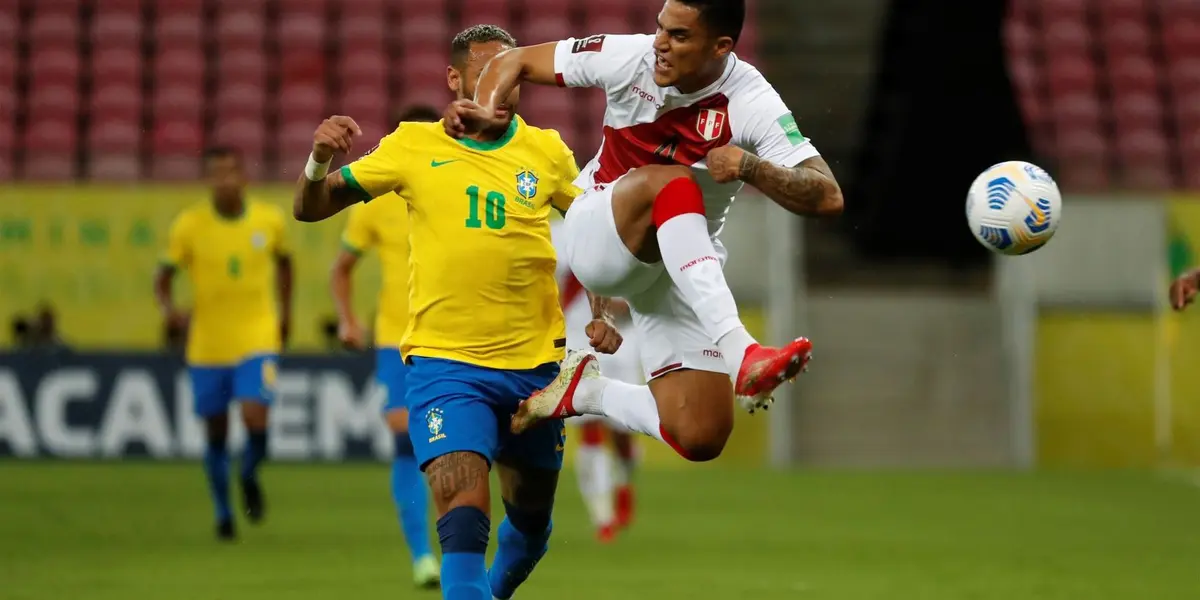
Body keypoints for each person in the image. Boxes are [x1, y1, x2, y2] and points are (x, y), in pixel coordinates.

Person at [293, 25, 620, 600]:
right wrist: (319, 159)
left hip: (535, 372)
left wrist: (602, 310)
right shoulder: (413, 145)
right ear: (454, 79)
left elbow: (595, 239)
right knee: (464, 520)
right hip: (447, 366)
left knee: (530, 530)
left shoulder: (546, 151)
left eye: (512, 72)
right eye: (487, 71)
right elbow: (311, 207)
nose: (502, 84)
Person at [444, 0, 844, 463]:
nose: (660, 44)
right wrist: (485, 110)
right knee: (672, 181)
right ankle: (742, 352)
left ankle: (587, 392)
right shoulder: (628, 57)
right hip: (598, 230)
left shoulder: (750, 100)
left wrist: (751, 167)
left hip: (679, 263)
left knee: (700, 434)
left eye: (679, 36)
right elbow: (511, 61)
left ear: (721, 47)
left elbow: (828, 195)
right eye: (660, 28)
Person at [154, 147, 294, 541]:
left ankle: (248, 473)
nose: (224, 180)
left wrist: (286, 314)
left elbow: (285, 264)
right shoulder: (190, 225)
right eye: (216, 173)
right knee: (216, 431)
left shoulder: (269, 219)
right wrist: (169, 311)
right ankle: (223, 513)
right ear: (208, 180)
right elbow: (162, 276)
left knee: (255, 417)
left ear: (244, 177)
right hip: (208, 344)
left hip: (258, 336)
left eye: (230, 172)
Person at [329, 105, 441, 588]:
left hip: (448, 336)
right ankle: (422, 556)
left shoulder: (453, 187)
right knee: (404, 438)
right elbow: (341, 268)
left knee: (451, 445)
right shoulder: (374, 198)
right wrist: (348, 319)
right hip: (395, 337)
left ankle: (458, 548)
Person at [551, 218, 641, 543]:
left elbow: (638, 282)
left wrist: (622, 303)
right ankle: (602, 515)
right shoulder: (553, 232)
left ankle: (625, 482)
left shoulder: (618, 220)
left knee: (623, 430)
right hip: (577, 339)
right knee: (589, 426)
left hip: (620, 340)